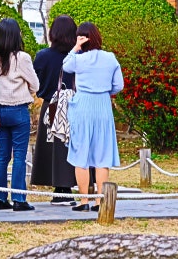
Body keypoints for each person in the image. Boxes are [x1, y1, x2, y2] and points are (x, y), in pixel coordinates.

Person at [62, 22, 124, 212]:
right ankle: (100, 201)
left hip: (83, 105)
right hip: (103, 105)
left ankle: (83, 201)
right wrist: (105, 91)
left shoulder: (79, 59)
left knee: (80, 153)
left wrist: (76, 47)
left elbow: (65, 66)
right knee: (102, 155)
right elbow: (118, 85)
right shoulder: (110, 58)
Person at [0, 18, 39, 212]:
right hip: (18, 110)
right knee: (19, 155)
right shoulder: (22, 58)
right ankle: (19, 198)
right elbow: (36, 85)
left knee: (2, 155)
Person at [30, 15, 79, 205]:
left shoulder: (43, 56)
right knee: (70, 144)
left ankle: (60, 189)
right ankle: (68, 186)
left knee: (53, 146)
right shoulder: (79, 57)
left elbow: (37, 83)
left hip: (52, 103)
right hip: (75, 104)